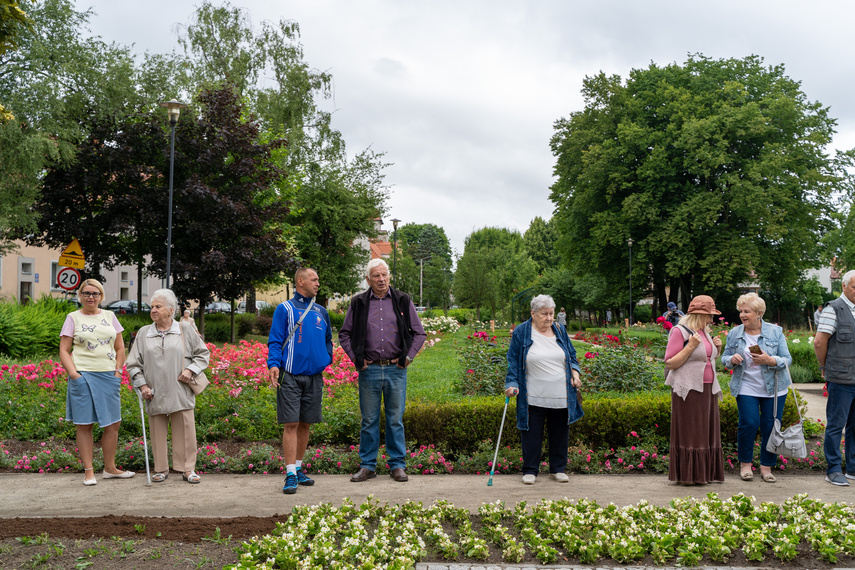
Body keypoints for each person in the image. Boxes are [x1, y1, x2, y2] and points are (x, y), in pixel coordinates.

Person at [339, 258, 426, 483]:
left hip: (396, 369)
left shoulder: (402, 300)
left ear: (389, 276)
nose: (381, 279)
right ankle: (368, 466)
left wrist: (407, 357)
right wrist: (356, 358)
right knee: (369, 420)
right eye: (376, 276)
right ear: (368, 279)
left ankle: (397, 465)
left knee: (395, 419)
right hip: (369, 371)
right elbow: (344, 334)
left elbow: (419, 333)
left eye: (384, 274)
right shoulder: (358, 302)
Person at [126, 289, 209, 484]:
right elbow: (133, 364)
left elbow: (202, 354)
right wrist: (142, 385)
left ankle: (188, 469)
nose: (153, 310)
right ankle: (161, 469)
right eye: (152, 307)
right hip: (153, 391)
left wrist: (190, 370)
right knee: (157, 430)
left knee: (185, 429)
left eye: (158, 306)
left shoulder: (185, 329)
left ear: (171, 310)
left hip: (180, 388)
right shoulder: (144, 333)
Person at [59, 279, 135, 485]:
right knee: (85, 424)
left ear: (101, 296)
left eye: (95, 293)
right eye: (86, 293)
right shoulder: (72, 317)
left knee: (113, 424)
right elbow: (64, 350)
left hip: (108, 375)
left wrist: (118, 373)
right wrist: (75, 375)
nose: (91, 297)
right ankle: (89, 472)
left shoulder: (110, 316)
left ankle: (110, 468)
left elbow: (120, 348)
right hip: (83, 375)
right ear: (80, 296)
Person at [266, 268, 333, 494]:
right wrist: (273, 364)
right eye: (314, 279)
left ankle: (299, 468)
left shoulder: (321, 311)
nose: (318, 283)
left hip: (314, 376)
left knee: (306, 423)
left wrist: (326, 359)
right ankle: (290, 474)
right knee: (291, 423)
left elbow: (328, 340)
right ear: (300, 281)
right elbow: (275, 340)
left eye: (318, 279)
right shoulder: (284, 309)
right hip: (290, 375)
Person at [505, 295, 583, 484]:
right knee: (531, 433)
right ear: (533, 313)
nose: (549, 318)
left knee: (560, 432)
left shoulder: (559, 330)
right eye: (544, 314)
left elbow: (572, 356)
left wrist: (575, 374)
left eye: (551, 314)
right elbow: (513, 360)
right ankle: (530, 470)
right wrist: (512, 383)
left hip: (561, 393)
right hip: (532, 394)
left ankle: (558, 469)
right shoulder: (522, 332)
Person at [721, 293, 792, 483]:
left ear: (759, 313)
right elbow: (724, 358)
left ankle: (766, 467)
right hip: (746, 386)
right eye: (741, 311)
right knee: (749, 423)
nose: (743, 315)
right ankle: (745, 464)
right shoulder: (735, 333)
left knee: (770, 426)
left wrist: (771, 360)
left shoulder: (775, 332)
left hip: (774, 388)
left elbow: (787, 359)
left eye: (747, 311)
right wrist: (731, 360)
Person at [664, 294, 724, 485]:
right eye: (709, 315)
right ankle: (690, 475)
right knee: (693, 434)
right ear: (699, 314)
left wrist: (718, 349)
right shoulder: (679, 331)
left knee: (706, 433)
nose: (711, 319)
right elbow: (670, 363)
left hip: (708, 389)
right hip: (689, 391)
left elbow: (706, 359)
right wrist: (690, 346)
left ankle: (704, 474)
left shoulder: (705, 331)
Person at [814, 269, 855, 486]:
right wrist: (824, 367)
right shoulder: (834, 309)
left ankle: (853, 468)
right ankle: (833, 469)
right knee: (836, 425)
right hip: (841, 379)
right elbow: (820, 342)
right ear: (845, 287)